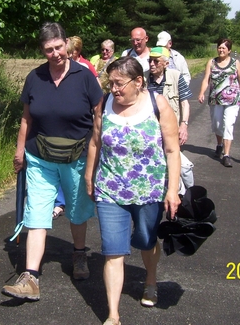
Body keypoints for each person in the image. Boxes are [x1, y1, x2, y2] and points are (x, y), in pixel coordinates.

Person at [2, 22, 103, 301]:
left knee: (78, 209)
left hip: (77, 156)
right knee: (36, 212)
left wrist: (97, 152)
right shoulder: (35, 77)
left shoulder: (85, 77)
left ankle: (79, 254)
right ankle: (30, 276)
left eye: (59, 47)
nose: (56, 53)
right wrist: (19, 150)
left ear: (66, 43)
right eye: (49, 50)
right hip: (40, 156)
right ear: (42, 50)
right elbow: (26, 118)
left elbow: (99, 117)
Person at [85, 56, 181, 325]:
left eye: (119, 83)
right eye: (110, 83)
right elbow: (94, 142)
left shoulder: (157, 105)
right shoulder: (104, 104)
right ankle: (113, 315)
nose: (113, 89)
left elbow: (173, 150)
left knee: (146, 242)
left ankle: (150, 279)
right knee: (112, 251)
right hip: (110, 190)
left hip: (148, 191)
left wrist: (172, 190)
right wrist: (89, 177)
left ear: (138, 82)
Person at [147, 47, 195, 193]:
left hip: (171, 130)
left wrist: (184, 125)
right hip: (151, 131)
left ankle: (190, 194)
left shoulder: (176, 76)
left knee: (182, 166)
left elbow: (185, 103)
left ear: (166, 64)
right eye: (150, 61)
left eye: (156, 61)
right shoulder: (143, 79)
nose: (152, 64)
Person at [198, 38, 240, 168]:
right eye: (219, 48)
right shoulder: (211, 62)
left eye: (224, 48)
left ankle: (226, 155)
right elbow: (206, 80)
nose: (221, 50)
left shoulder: (235, 63)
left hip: (233, 100)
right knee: (217, 124)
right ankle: (219, 144)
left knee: (228, 124)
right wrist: (202, 92)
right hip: (215, 100)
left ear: (229, 50)